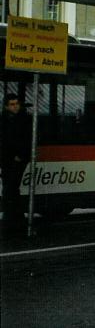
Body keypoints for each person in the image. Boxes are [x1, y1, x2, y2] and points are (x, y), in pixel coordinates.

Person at [1, 93, 32, 234]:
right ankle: (15, 220)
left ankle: (13, 221)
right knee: (11, 188)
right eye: (12, 104)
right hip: (6, 159)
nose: (15, 107)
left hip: (17, 159)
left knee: (10, 188)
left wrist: (20, 155)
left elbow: (26, 140)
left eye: (16, 104)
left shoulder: (23, 120)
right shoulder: (4, 119)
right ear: (6, 106)